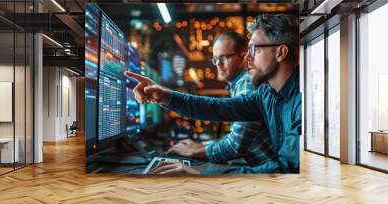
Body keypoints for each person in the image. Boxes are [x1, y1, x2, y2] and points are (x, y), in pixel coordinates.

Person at [125, 14, 300, 174]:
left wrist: (201, 174)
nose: (248, 57)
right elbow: (218, 108)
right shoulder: (267, 94)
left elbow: (287, 170)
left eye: (255, 49)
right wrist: (165, 96)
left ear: (280, 52)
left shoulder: (301, 104)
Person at [166, 32, 273, 171]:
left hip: (271, 171)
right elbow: (237, 135)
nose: (218, 64)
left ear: (243, 55)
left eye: (224, 57)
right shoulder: (239, 83)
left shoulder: (246, 83)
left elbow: (235, 145)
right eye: (215, 59)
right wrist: (203, 145)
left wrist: (194, 152)